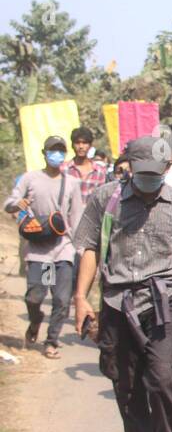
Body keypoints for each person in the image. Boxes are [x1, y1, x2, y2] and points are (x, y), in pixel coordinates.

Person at [72, 136, 172, 432]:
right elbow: (88, 248)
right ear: (129, 167)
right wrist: (81, 298)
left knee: (163, 380)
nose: (148, 178)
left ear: (167, 170)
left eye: (156, 172)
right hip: (117, 303)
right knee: (126, 383)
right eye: (141, 171)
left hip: (164, 305)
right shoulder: (106, 199)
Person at [5, 135, 85, 358]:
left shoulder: (71, 183)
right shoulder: (30, 179)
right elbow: (9, 204)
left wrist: (80, 249)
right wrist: (17, 205)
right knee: (35, 296)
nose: (56, 154)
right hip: (40, 250)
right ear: (44, 153)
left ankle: (52, 340)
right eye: (53, 150)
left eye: (60, 150)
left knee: (61, 299)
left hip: (63, 249)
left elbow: (77, 217)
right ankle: (35, 319)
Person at [64, 127, 109, 203]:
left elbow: (103, 199)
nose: (81, 147)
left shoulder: (100, 171)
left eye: (84, 143)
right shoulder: (64, 169)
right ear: (72, 145)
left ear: (90, 145)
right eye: (77, 143)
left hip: (92, 214)